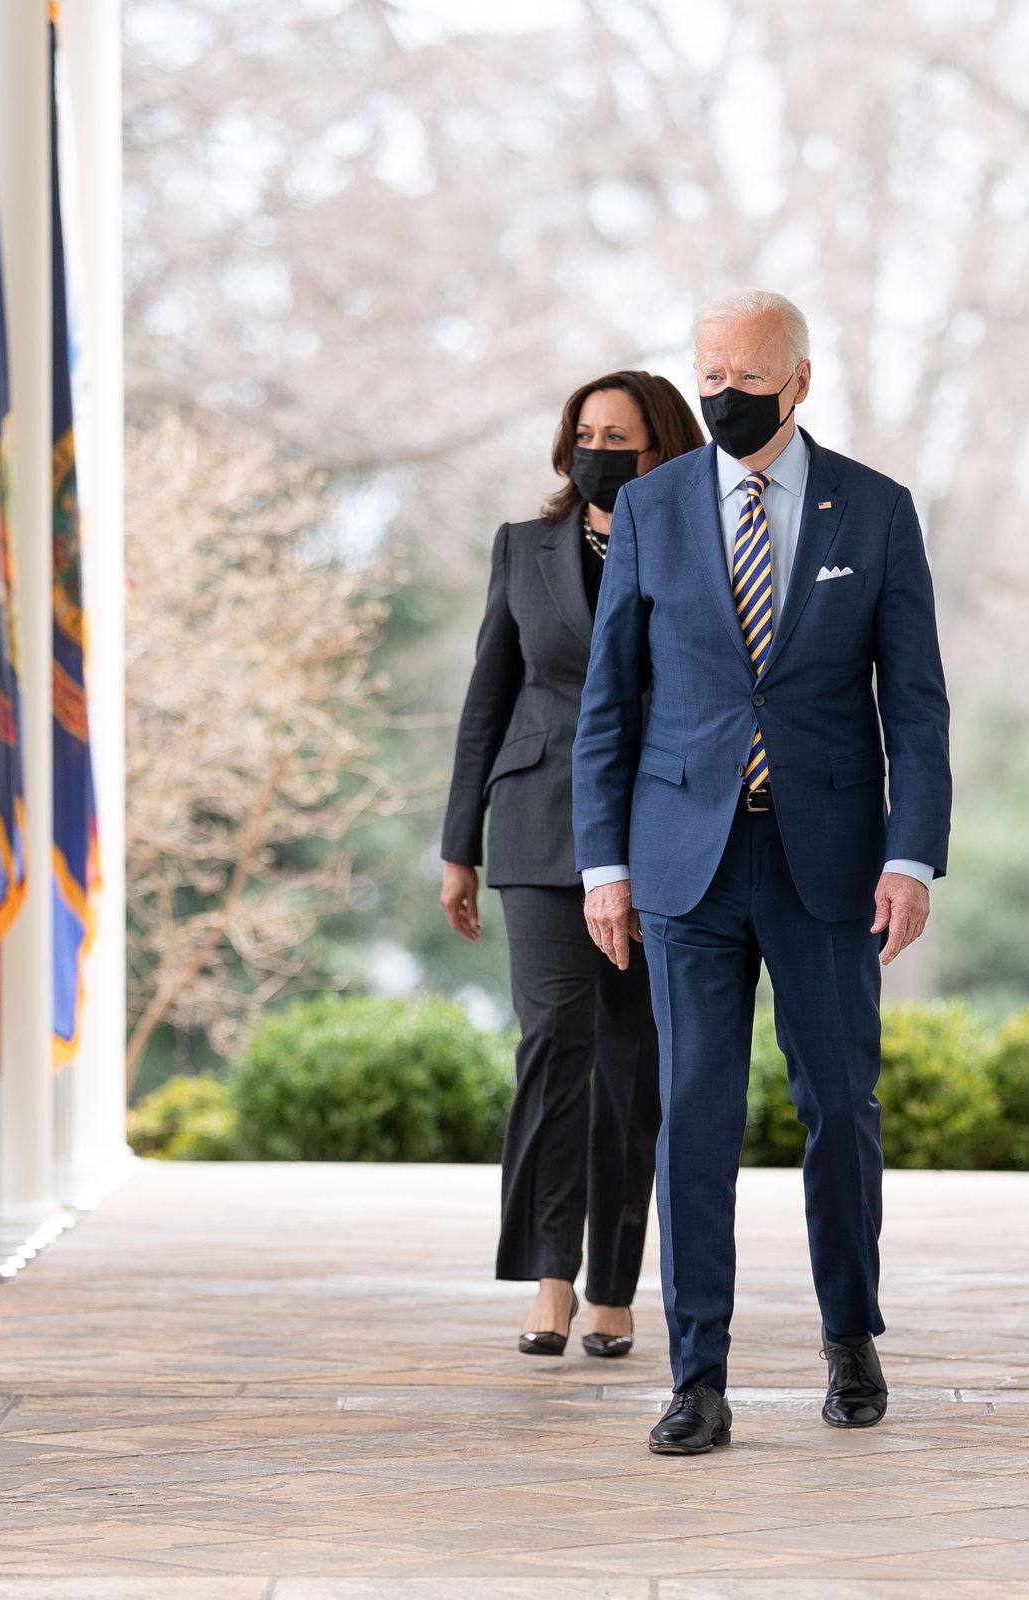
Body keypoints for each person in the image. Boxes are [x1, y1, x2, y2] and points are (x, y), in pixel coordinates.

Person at [572, 290, 952, 1454]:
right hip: (685, 862)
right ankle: (698, 1373)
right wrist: (604, 864)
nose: (718, 392)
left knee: (838, 1105)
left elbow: (918, 706)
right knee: (694, 1115)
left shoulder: (875, 512)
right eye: (705, 371)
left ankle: (850, 1333)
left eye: (741, 374)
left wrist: (911, 855)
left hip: (829, 863)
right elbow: (610, 704)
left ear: (796, 381)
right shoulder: (651, 506)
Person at [441, 371, 707, 1360]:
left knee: (634, 1062)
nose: (597, 448)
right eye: (585, 432)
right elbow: (487, 699)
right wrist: (456, 845)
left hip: (664, 826)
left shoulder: (698, 540)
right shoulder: (523, 547)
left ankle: (613, 1286)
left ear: (662, 451)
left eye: (620, 436)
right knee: (557, 1042)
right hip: (539, 825)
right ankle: (549, 1277)